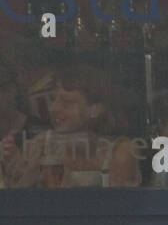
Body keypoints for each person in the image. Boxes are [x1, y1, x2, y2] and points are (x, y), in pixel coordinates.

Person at [1, 66, 138, 188]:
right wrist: (14, 164)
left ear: (96, 109)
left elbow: (121, 207)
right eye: (53, 99)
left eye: (67, 102)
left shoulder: (118, 150)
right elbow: (20, 202)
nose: (53, 108)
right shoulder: (41, 144)